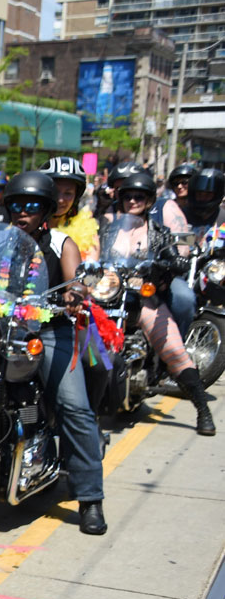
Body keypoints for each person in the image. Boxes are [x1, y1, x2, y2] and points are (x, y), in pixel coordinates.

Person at [0, 171, 111, 532]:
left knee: (73, 405)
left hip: (48, 329)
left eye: (32, 205)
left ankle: (90, 498)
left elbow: (77, 279)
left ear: (46, 209)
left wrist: (74, 292)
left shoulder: (62, 242)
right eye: (17, 204)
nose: (23, 212)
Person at [110, 172, 215, 437]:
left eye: (140, 197)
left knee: (174, 351)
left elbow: (178, 251)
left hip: (144, 298)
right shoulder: (107, 226)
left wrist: (173, 261)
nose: (133, 201)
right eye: (128, 196)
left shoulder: (160, 230)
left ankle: (202, 408)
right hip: (108, 298)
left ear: (149, 201)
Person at [43, 157, 98, 261]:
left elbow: (90, 268)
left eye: (68, 193)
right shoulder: (32, 224)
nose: (60, 200)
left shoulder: (87, 230)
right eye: (55, 191)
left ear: (76, 197)